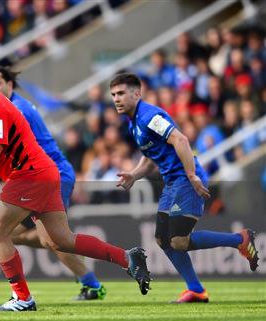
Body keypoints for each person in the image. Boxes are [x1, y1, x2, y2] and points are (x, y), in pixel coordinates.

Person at [0, 61, 151, 312]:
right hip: (42, 174)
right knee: (62, 240)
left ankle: (23, 298)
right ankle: (127, 258)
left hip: (29, 175)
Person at [111, 73, 259, 303]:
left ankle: (239, 240)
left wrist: (191, 174)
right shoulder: (133, 124)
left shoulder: (149, 116)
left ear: (136, 93)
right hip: (173, 182)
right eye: (113, 95)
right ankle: (196, 290)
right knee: (162, 239)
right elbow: (151, 157)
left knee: (178, 240)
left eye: (121, 93)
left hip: (187, 179)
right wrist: (134, 174)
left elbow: (180, 140)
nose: (116, 99)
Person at [0, 66, 106, 301]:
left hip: (54, 174)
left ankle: (92, 284)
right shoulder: (3, 107)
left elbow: (5, 149)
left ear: (9, 85)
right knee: (9, 233)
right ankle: (68, 241)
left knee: (52, 240)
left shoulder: (17, 109)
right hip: (34, 179)